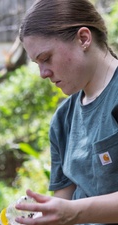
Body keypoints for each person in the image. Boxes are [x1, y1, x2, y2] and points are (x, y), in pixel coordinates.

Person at [16, 0, 118, 224]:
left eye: (46, 58)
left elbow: (71, 210)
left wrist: (75, 211)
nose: (43, 73)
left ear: (83, 38)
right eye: (37, 64)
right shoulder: (63, 120)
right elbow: (64, 201)